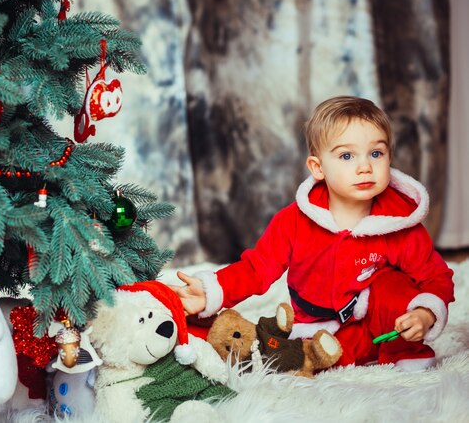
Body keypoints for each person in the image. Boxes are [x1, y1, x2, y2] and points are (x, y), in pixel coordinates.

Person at [171, 96, 455, 371]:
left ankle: (405, 353)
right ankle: (323, 354)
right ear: (318, 168)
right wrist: (211, 292)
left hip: (384, 328)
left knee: (393, 284)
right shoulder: (294, 221)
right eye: (346, 155)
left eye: (376, 153)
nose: (365, 166)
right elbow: (257, 269)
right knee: (295, 357)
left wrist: (424, 313)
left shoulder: (397, 223)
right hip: (318, 327)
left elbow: (436, 276)